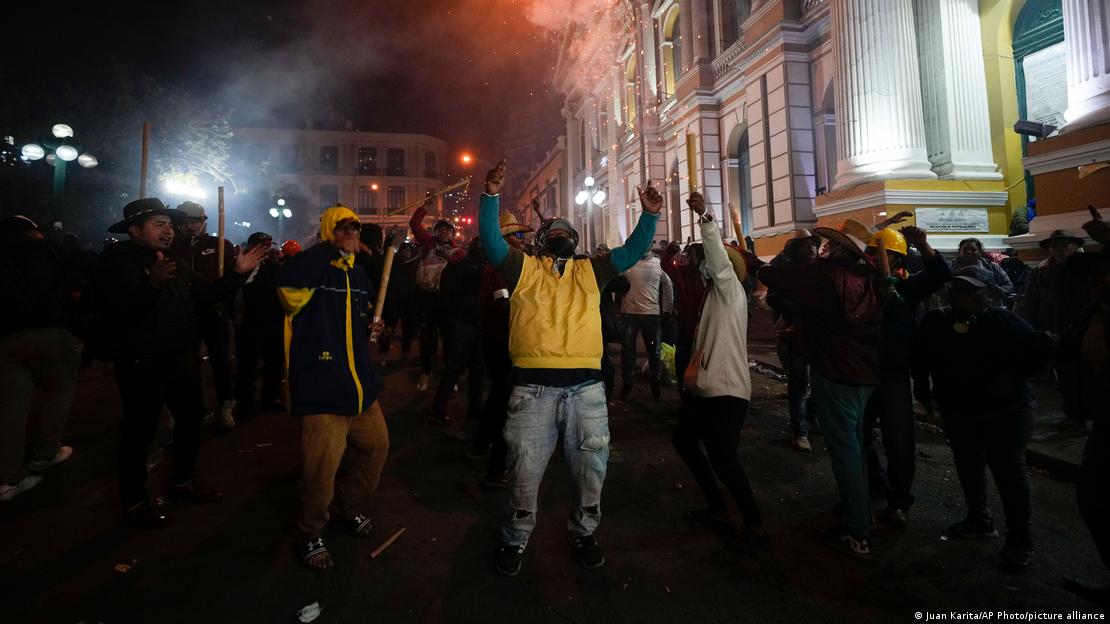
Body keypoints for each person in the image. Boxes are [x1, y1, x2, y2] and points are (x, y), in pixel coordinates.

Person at [479, 162, 660, 576]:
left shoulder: (590, 271)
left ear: (574, 241)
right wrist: (490, 196)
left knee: (591, 471)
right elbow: (491, 241)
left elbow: (631, 252)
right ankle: (515, 538)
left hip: (587, 391)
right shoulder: (521, 268)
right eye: (553, 233)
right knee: (523, 472)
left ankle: (584, 531)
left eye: (565, 233)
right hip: (532, 391)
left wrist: (650, 216)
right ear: (542, 242)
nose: (559, 236)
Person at [98, 198, 266, 527]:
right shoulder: (117, 262)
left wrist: (237, 274)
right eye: (158, 224)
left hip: (179, 357)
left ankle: (182, 480)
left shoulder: (175, 262)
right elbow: (122, 312)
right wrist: (151, 284)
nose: (168, 230)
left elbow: (208, 296)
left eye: (169, 224)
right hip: (140, 363)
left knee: (191, 418)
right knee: (140, 431)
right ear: (134, 230)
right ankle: (134, 502)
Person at [758, 219, 885, 560]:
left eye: (830, 246)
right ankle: (861, 511)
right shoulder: (871, 280)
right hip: (865, 376)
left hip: (836, 373)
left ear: (842, 251)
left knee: (844, 453)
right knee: (855, 447)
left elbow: (774, 277)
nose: (824, 249)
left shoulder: (825, 277)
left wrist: (750, 258)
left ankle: (858, 533)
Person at [912, 266, 1052, 567]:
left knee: (1009, 471)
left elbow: (1040, 347)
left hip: (1007, 410)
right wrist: (924, 394)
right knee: (968, 463)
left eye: (972, 289)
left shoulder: (1002, 319)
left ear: (988, 293)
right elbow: (920, 358)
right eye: (959, 289)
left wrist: (1014, 376)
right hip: (959, 409)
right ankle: (979, 520)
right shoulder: (937, 321)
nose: (964, 295)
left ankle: (1020, 539)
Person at [275, 205, 389, 569]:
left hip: (360, 389)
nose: (351, 231)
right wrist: (329, 249)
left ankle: (346, 508)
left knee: (376, 450)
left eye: (355, 226)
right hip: (322, 389)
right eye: (342, 227)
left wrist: (375, 326)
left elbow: (368, 312)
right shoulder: (311, 268)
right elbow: (288, 293)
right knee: (320, 472)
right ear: (328, 231)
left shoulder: (357, 275)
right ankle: (310, 531)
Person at [671, 192, 766, 552]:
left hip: (724, 391)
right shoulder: (715, 294)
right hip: (706, 388)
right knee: (685, 441)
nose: (704, 267)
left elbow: (715, 258)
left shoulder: (729, 290)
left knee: (725, 460)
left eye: (713, 263)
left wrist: (706, 218)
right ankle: (718, 508)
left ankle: (753, 522)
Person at [862, 225, 949, 529]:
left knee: (899, 443)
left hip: (893, 376)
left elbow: (939, 276)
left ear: (901, 263)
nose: (879, 260)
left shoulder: (907, 290)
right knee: (858, 438)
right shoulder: (855, 286)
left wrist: (924, 246)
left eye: (888, 256)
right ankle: (872, 485)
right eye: (873, 254)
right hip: (859, 375)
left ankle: (899, 501)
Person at [0, 216, 80, 501]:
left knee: (10, 407)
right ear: (30, 232)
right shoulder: (41, 251)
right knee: (61, 389)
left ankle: (7, 478)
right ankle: (45, 454)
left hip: (4, 339)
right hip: (45, 332)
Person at [1061, 214, 1110, 603]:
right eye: (1092, 277)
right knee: (1093, 498)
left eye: (1101, 275)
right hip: (1103, 420)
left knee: (1095, 496)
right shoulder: (1094, 312)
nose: (1095, 281)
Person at [169, 201, 239, 429]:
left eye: (194, 221)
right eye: (185, 222)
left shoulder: (220, 245)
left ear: (203, 222)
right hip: (182, 312)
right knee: (185, 363)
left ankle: (225, 405)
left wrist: (227, 306)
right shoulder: (172, 247)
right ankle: (185, 407)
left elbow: (231, 280)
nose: (190, 226)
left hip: (213, 310)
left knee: (221, 360)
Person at [1017, 229, 1091, 431]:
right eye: (1055, 245)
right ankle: (1075, 416)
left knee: (1089, 376)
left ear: (1075, 246)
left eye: (1065, 244)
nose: (1060, 249)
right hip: (1055, 331)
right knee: (1066, 377)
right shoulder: (1040, 272)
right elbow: (1032, 302)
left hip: (1085, 331)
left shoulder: (1087, 271)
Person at [765, 229, 820, 452]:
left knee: (820, 384)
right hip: (794, 336)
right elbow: (773, 297)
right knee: (798, 385)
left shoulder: (822, 271)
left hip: (818, 337)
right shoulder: (785, 272)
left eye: (813, 244)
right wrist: (796, 313)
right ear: (795, 249)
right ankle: (799, 430)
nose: (811, 248)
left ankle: (810, 418)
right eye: (805, 244)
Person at [430, 237, 487, 427]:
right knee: (460, 369)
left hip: (464, 322)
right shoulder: (472, 267)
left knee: (467, 369)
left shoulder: (462, 266)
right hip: (466, 322)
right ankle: (449, 410)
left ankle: (466, 409)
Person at [410, 195, 461, 391]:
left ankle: (450, 376)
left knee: (449, 339)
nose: (443, 232)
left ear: (452, 233)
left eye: (447, 229)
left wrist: (448, 257)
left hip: (449, 301)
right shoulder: (428, 243)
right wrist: (425, 207)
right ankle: (426, 372)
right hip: (428, 299)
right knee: (427, 337)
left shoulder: (458, 252)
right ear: (436, 231)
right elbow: (414, 224)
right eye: (440, 229)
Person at [234, 232, 286, 418]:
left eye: (268, 245)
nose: (266, 249)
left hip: (273, 322)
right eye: (261, 245)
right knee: (247, 364)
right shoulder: (242, 265)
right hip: (250, 322)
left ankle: (270, 398)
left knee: (274, 363)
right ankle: (245, 402)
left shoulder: (273, 266)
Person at [618, 248, 673, 401]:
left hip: (650, 315)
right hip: (631, 313)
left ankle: (655, 382)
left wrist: (668, 308)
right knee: (628, 352)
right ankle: (628, 383)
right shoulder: (628, 262)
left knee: (654, 351)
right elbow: (616, 281)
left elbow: (668, 285)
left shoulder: (657, 263)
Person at [949, 238, 1014, 307]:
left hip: (990, 309)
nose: (969, 252)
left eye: (973, 250)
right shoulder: (950, 267)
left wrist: (993, 289)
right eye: (965, 249)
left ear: (980, 252)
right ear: (959, 251)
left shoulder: (992, 266)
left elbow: (1009, 287)